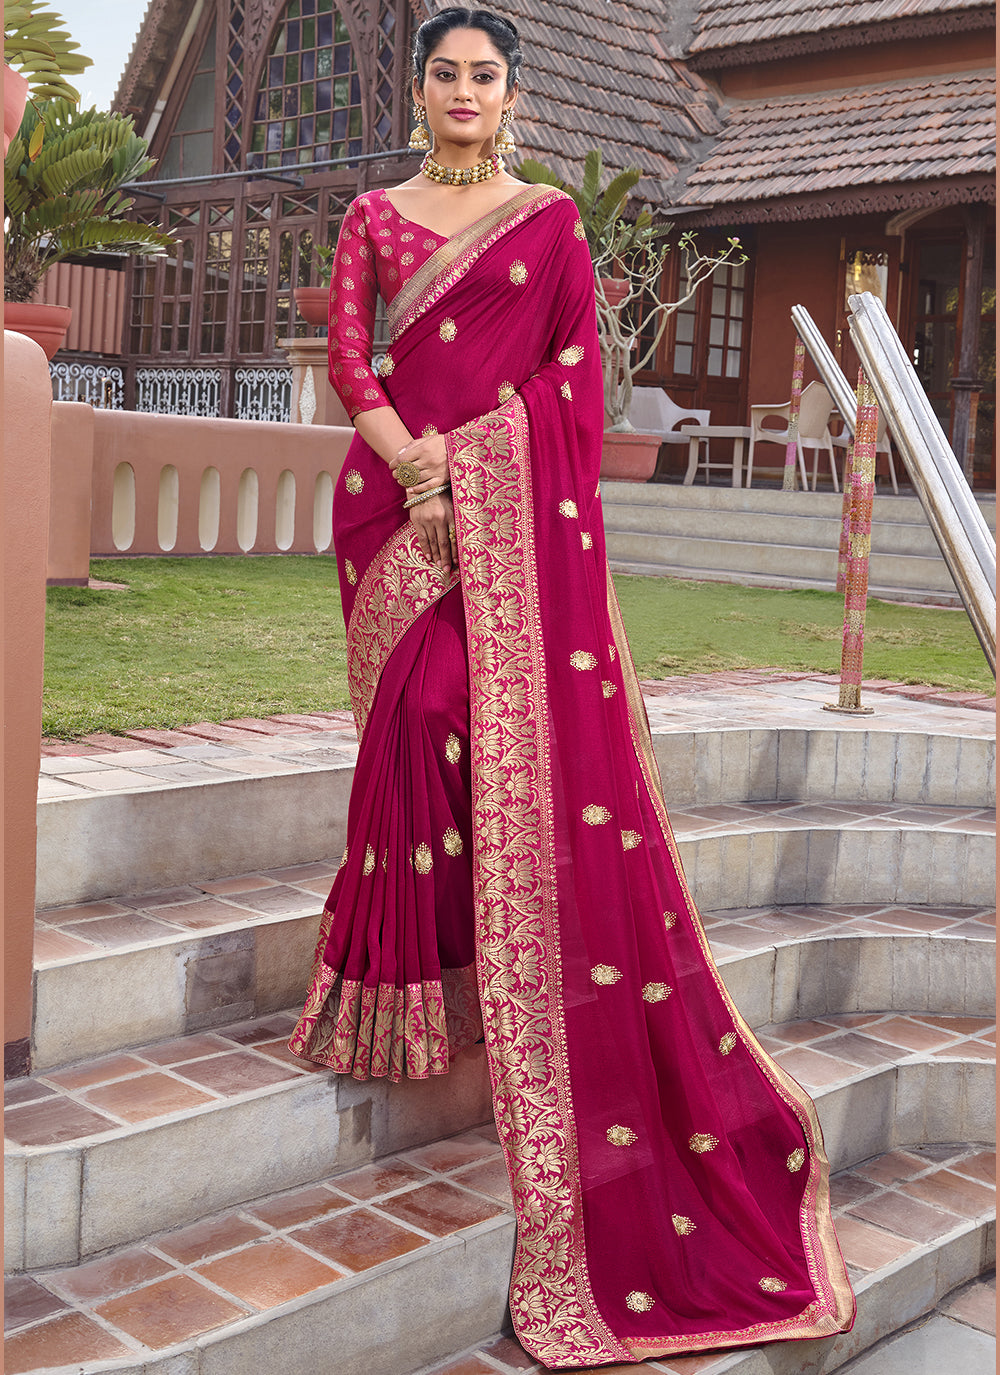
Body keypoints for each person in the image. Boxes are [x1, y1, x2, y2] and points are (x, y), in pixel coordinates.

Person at [289, 7, 855, 1368]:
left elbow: (572, 381)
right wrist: (414, 464)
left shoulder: (548, 224)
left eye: (487, 73)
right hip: (390, 504)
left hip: (493, 512)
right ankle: (400, 983)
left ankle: (470, 954)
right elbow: (353, 356)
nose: (466, 91)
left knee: (462, 721)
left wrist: (470, 468)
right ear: (422, 89)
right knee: (413, 721)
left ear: (514, 94)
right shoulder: (374, 211)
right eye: (446, 72)